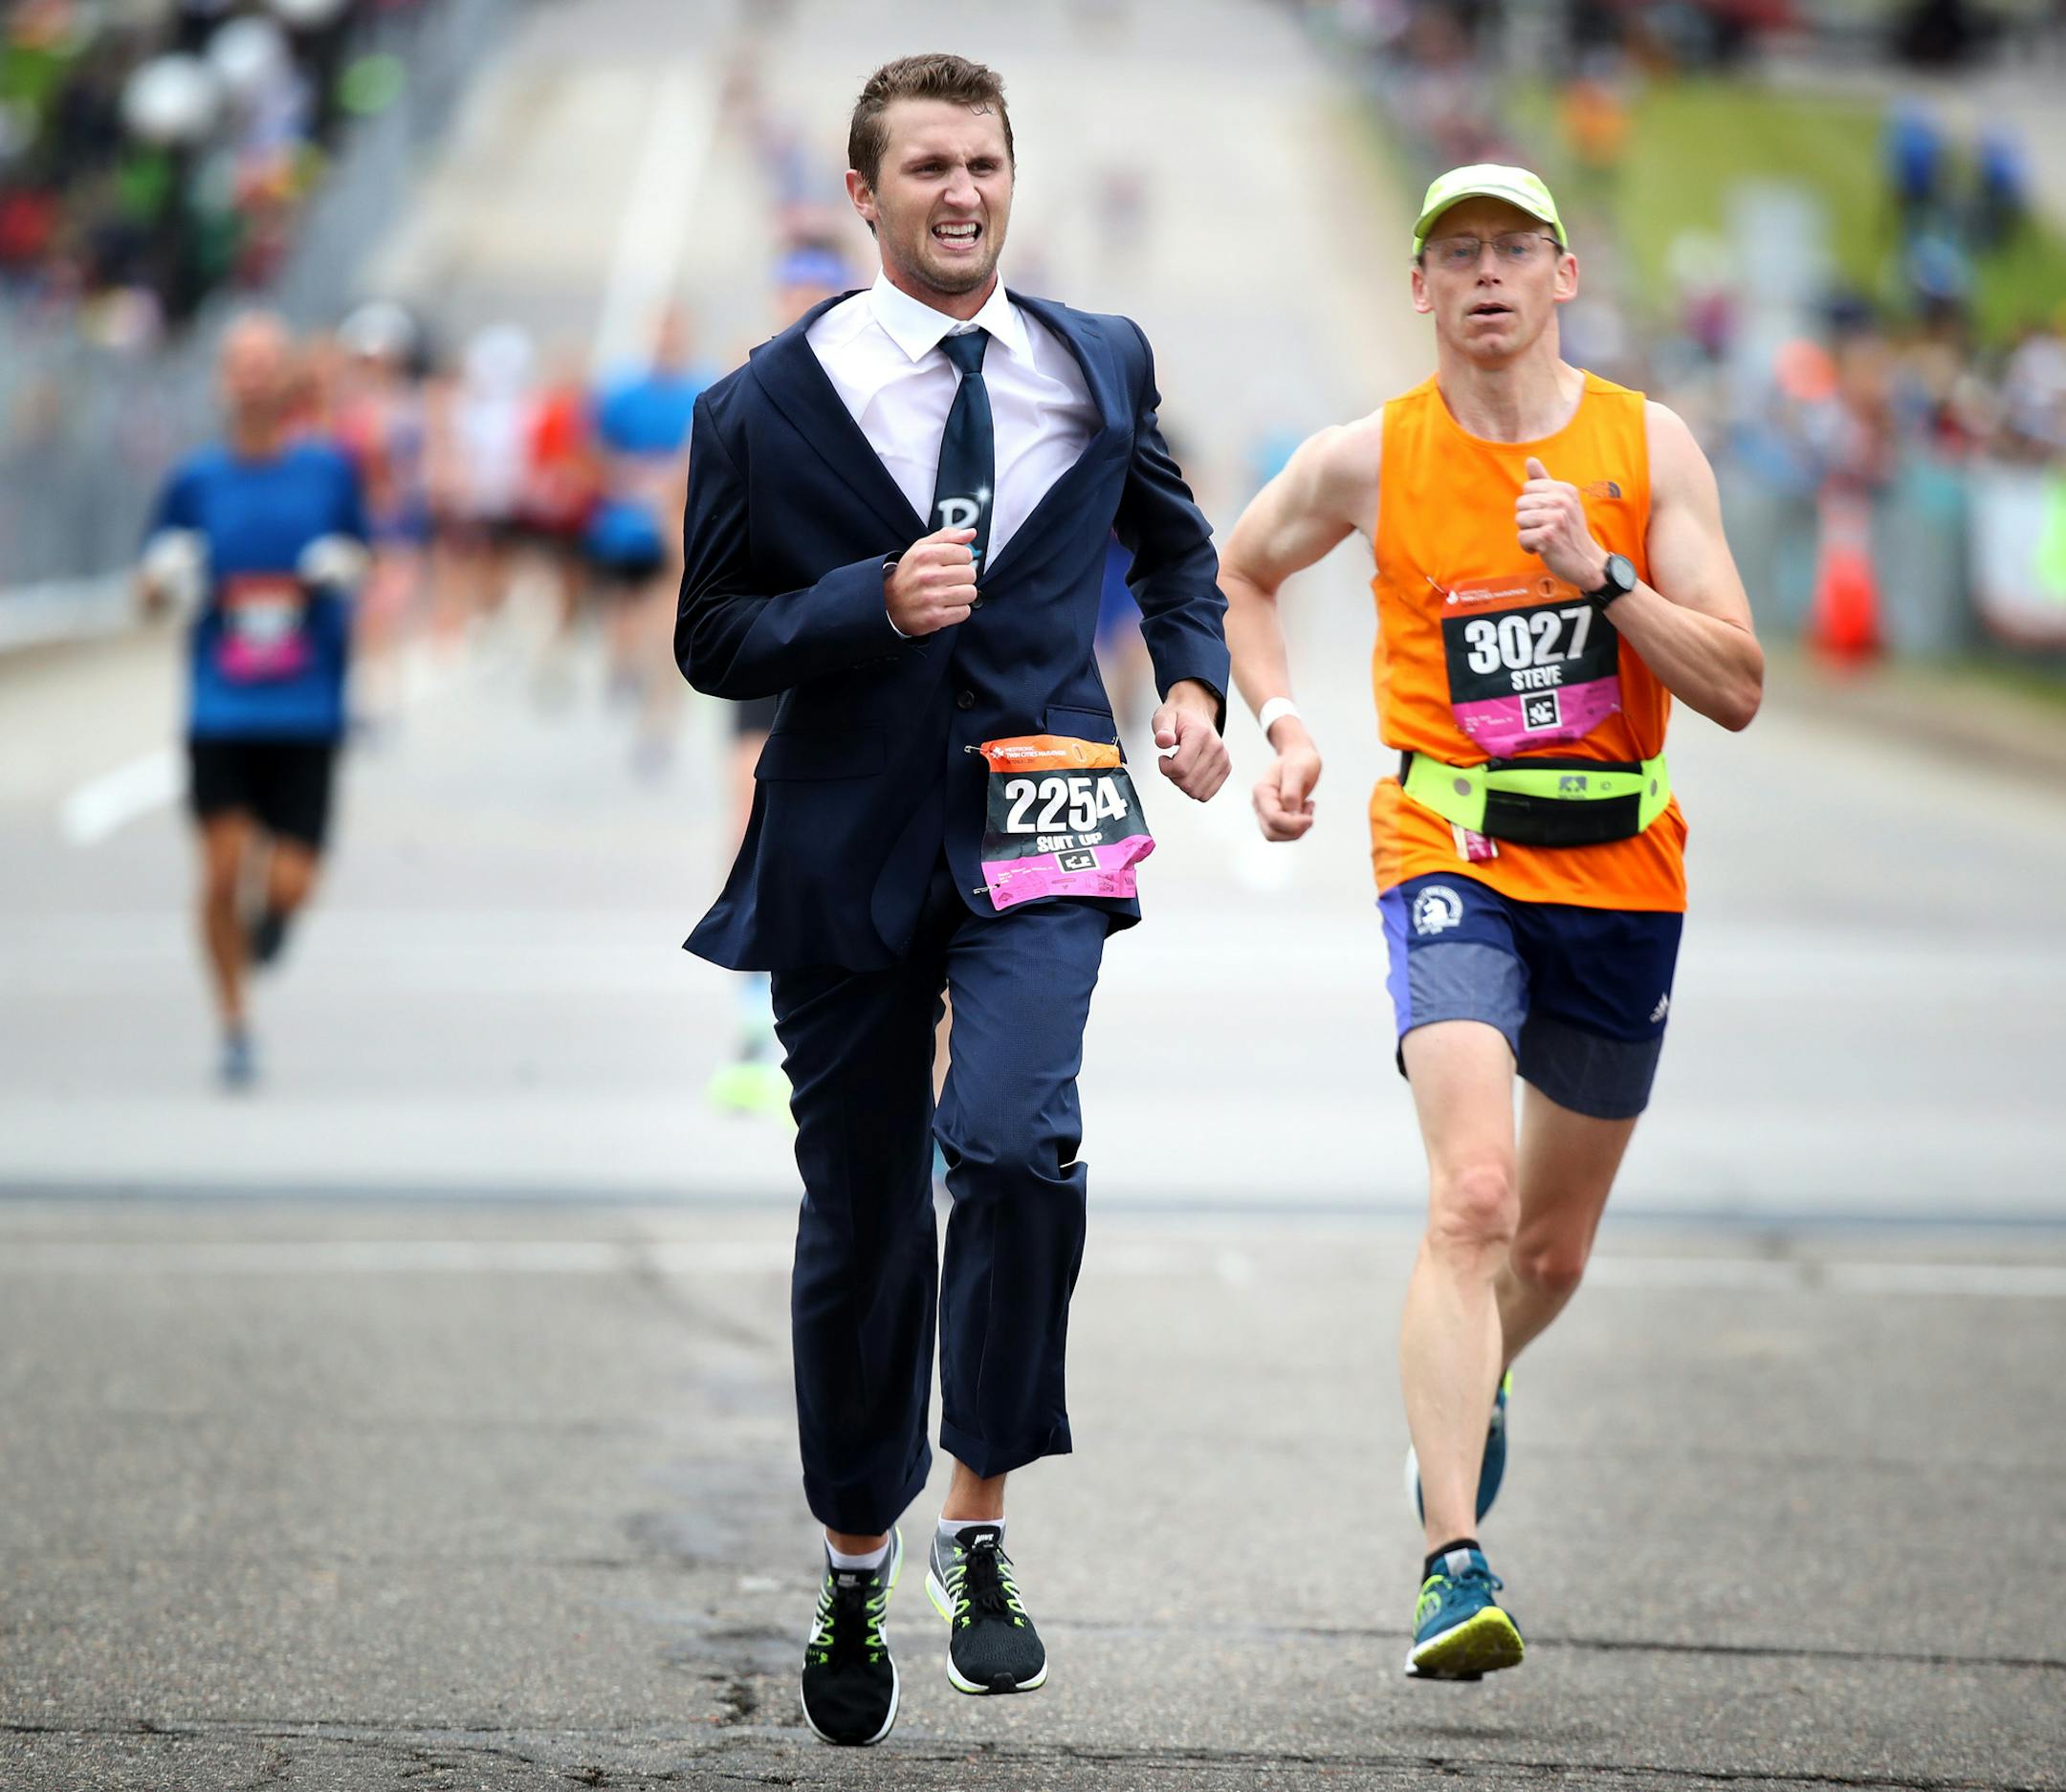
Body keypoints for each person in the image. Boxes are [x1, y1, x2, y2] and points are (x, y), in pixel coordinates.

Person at [675, 53, 1230, 1746]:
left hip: (1045, 815)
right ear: (863, 193)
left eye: (984, 161)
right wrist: (864, 600)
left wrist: (1194, 689)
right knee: (859, 1211)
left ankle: (975, 1523)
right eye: (926, 166)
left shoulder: (1096, 359)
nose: (962, 191)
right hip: (845, 844)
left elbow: (1174, 544)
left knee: (1005, 1136)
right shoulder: (765, 404)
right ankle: (857, 1548)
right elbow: (716, 639)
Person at [1216, 164, 1762, 1680]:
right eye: (1456, 254)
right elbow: (1239, 571)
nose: (1488, 277)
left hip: (1623, 862)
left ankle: (1477, 1378)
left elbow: (1736, 682)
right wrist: (1283, 722)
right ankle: (1452, 1560)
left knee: (1552, 1245)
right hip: (1445, 837)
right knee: (1467, 1195)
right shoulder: (1369, 457)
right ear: (1421, 290)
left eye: (1516, 249)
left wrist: (1608, 582)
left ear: (1565, 275)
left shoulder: (1648, 449)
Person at [139, 310, 369, 1087]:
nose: (253, 376)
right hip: (223, 707)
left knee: (289, 884)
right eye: (239, 361)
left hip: (307, 707)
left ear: (288, 377)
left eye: (266, 361)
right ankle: (235, 1025)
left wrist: (347, 567)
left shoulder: (328, 472)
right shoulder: (194, 480)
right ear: (222, 380)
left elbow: (367, 554)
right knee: (220, 868)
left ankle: (271, 921)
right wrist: (165, 577)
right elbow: (143, 589)